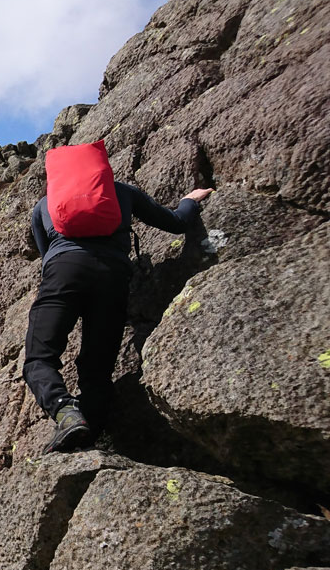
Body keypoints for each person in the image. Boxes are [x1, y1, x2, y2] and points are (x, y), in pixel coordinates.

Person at [24, 142, 212, 454]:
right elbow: (176, 223)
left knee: (39, 358)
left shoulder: (45, 205)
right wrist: (189, 201)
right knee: (97, 365)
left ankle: (65, 412)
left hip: (64, 271)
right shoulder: (122, 192)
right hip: (113, 275)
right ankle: (90, 434)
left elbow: (47, 258)